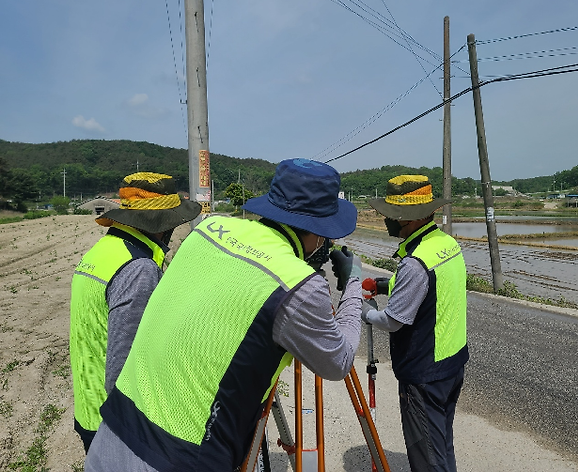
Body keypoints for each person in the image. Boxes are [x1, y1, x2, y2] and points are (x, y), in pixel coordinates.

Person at [85, 158, 363, 472]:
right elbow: (338, 361)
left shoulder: (209, 229)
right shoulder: (299, 283)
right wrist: (352, 281)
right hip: (180, 459)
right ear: (318, 229)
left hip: (113, 435)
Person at [69, 172, 201, 453]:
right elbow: (124, 366)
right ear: (160, 224)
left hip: (89, 406)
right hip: (116, 424)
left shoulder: (103, 251)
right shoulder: (138, 269)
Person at [363, 174, 468, 472]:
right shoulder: (445, 243)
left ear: (408, 219)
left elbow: (394, 320)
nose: (386, 221)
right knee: (442, 443)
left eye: (390, 215)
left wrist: (365, 312)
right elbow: (428, 285)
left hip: (424, 373)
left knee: (427, 458)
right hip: (452, 362)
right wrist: (383, 284)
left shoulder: (414, 262)